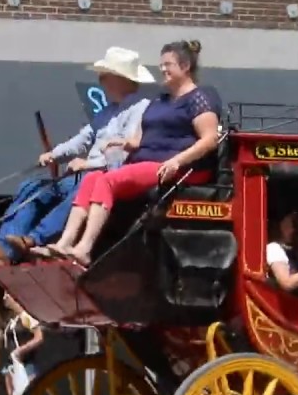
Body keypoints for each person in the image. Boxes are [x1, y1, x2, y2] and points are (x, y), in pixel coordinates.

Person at [0, 46, 154, 265]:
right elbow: (82, 139)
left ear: (120, 79)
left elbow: (122, 156)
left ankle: (33, 239)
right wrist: (54, 155)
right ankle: (3, 249)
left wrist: (87, 164)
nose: (100, 79)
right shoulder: (107, 111)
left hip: (107, 180)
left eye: (105, 75)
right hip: (85, 174)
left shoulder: (141, 109)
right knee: (31, 187)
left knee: (81, 188)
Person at [45, 40, 221, 266]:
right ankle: (65, 243)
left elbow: (209, 140)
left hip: (176, 165)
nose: (162, 69)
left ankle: (85, 248)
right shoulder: (161, 99)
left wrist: (176, 161)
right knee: (92, 179)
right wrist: (122, 142)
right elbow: (140, 139)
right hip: (147, 162)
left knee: (108, 181)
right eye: (161, 64)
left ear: (185, 66)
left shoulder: (199, 98)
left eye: (168, 64)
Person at [1, 296, 45, 395]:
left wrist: (21, 350)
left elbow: (39, 337)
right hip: (11, 364)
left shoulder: (26, 317)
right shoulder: (10, 319)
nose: (5, 298)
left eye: (8, 295)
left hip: (26, 363)